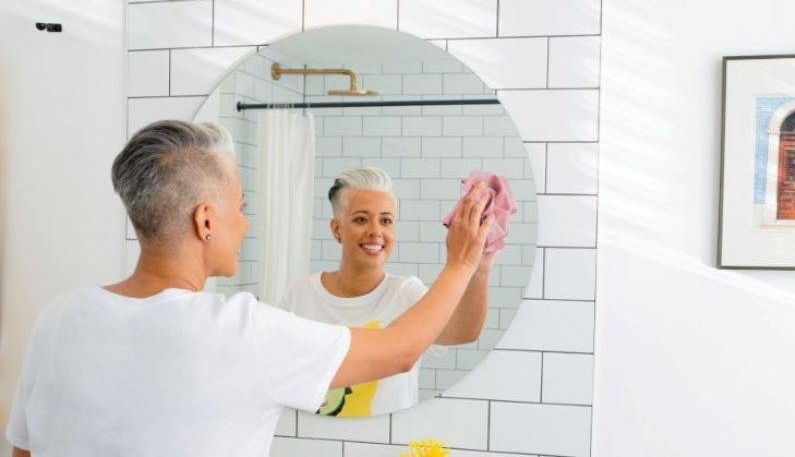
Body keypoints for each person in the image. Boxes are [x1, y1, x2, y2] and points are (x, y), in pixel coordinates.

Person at [5, 120, 493, 457]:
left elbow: (24, 450)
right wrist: (463, 260)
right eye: (240, 206)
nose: (245, 222)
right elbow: (401, 351)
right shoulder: (241, 331)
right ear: (206, 221)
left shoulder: (60, 317)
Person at [277, 166, 496, 417]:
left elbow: (463, 332)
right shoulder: (300, 294)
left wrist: (480, 270)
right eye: (361, 219)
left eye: (386, 220)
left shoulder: (407, 295)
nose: (376, 231)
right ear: (337, 229)